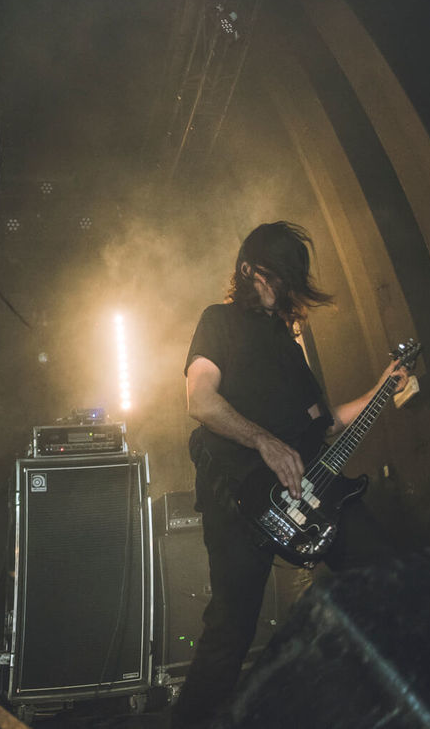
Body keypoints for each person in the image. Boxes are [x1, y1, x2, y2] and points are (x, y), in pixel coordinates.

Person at [173, 221, 408, 727]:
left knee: (388, 577)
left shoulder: (289, 342)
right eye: (276, 282)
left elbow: (322, 423)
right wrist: (263, 440)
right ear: (248, 271)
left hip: (310, 493)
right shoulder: (220, 320)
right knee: (231, 631)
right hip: (239, 493)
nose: (285, 297)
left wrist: (381, 389)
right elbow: (200, 399)